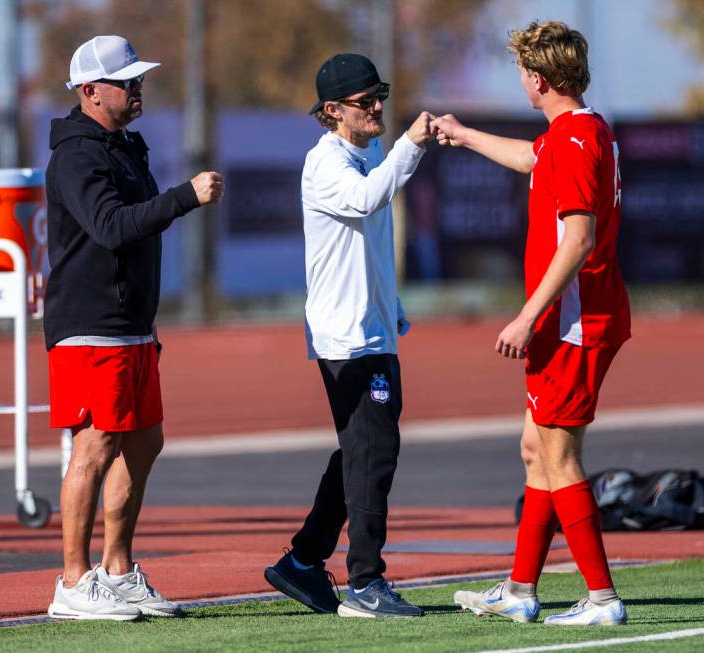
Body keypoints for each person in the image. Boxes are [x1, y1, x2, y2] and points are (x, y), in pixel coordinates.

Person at [432, 21, 631, 626]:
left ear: (539, 80)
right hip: (572, 319)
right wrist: (463, 135)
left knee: (559, 456)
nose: (519, 81)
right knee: (534, 449)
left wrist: (526, 315)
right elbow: (527, 157)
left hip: (571, 322)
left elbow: (578, 239)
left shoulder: (572, 143)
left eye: (522, 72)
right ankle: (519, 591)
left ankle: (602, 599)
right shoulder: (580, 129)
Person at [44, 35, 224, 620]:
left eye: (139, 79)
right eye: (127, 82)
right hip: (90, 324)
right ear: (90, 91)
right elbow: (112, 226)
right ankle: (72, 583)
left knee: (145, 439)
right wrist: (185, 197)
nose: (138, 88)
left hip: (130, 325)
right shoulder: (76, 153)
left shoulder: (122, 146)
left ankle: (117, 570)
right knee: (93, 445)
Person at [264, 53, 434, 619]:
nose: (378, 107)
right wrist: (412, 144)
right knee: (373, 450)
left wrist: (394, 305)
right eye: (366, 101)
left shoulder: (372, 150)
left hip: (374, 328)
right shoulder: (325, 164)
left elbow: (372, 242)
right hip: (345, 339)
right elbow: (367, 200)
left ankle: (304, 560)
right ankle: (365, 582)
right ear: (333, 111)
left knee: (364, 450)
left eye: (380, 94)